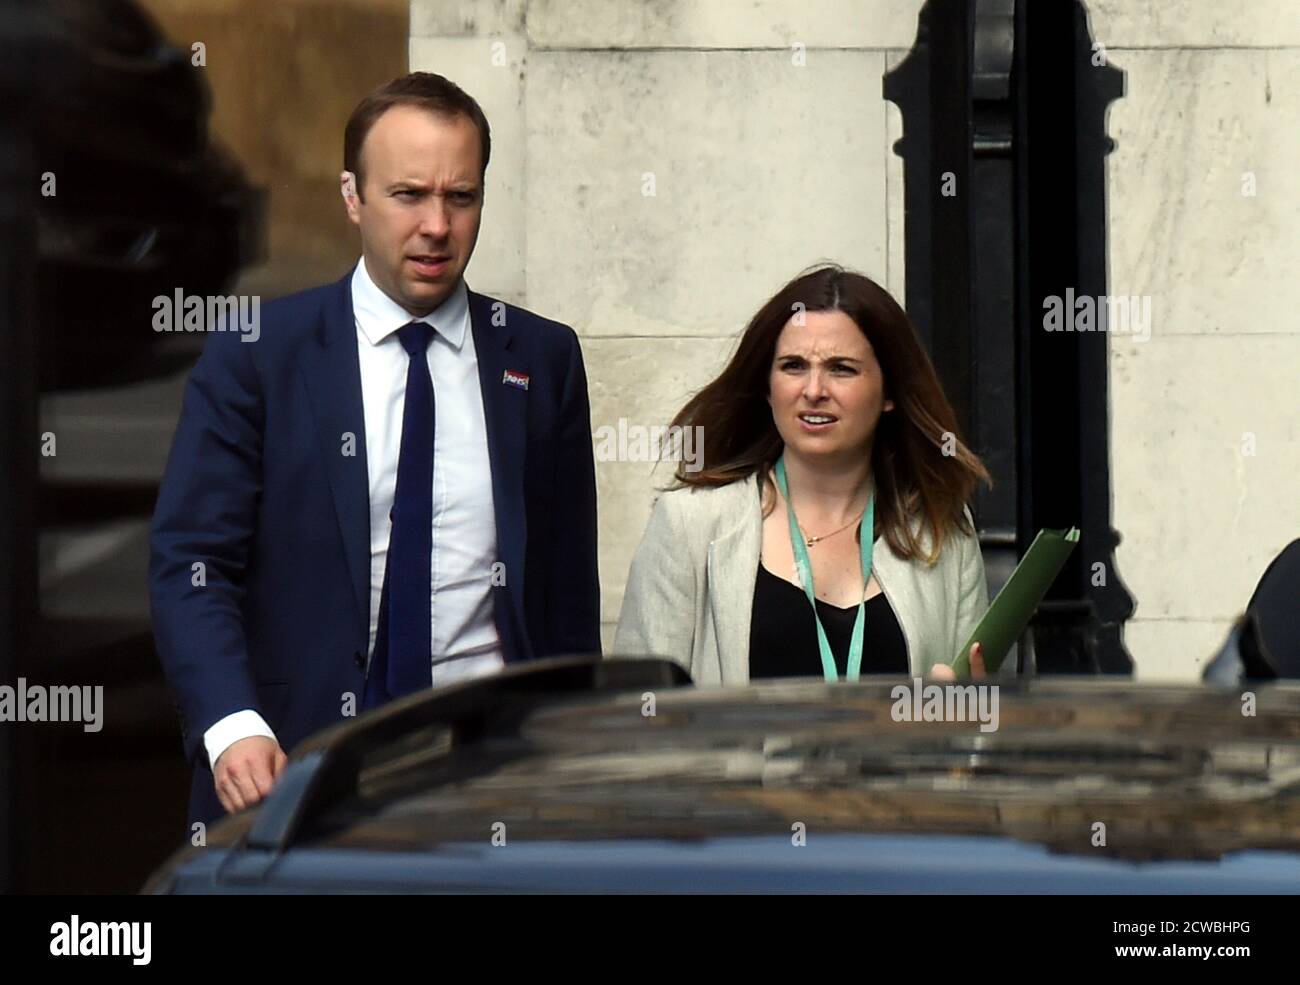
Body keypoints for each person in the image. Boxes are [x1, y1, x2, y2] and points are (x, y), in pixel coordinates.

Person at [150, 72, 600, 826]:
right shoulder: (258, 356)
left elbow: (563, 595)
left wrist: (570, 759)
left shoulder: (539, 359)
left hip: (492, 779)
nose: (437, 225)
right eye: (409, 195)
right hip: (297, 776)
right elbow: (192, 565)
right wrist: (234, 726)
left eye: (461, 197)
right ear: (353, 197)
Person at [615, 264, 991, 683]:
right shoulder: (689, 525)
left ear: (890, 393)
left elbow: (975, 731)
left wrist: (962, 714)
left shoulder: (942, 532)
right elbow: (638, 721)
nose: (813, 390)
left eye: (841, 368)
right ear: (767, 386)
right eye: (793, 366)